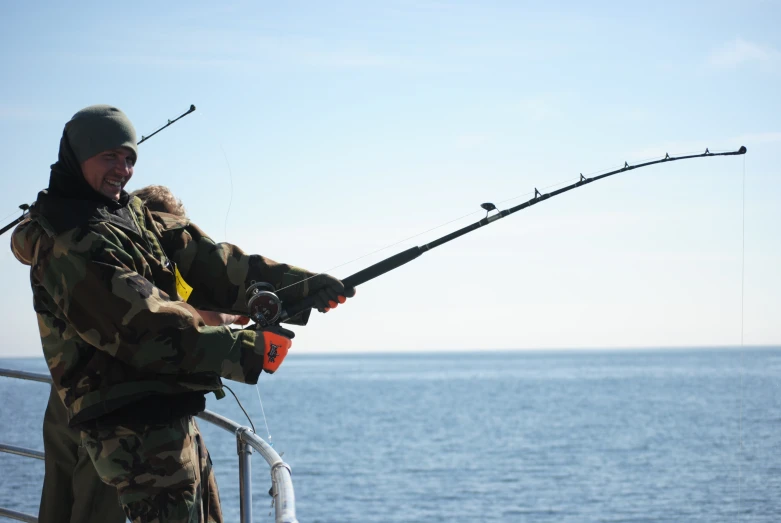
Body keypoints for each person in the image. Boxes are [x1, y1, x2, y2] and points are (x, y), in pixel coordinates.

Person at [11, 105, 354, 522]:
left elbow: (213, 264)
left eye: (130, 158)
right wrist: (248, 349)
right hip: (130, 429)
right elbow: (146, 327)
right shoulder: (70, 241)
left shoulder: (127, 215)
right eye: (109, 157)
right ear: (76, 156)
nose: (123, 169)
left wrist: (301, 285)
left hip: (167, 412)